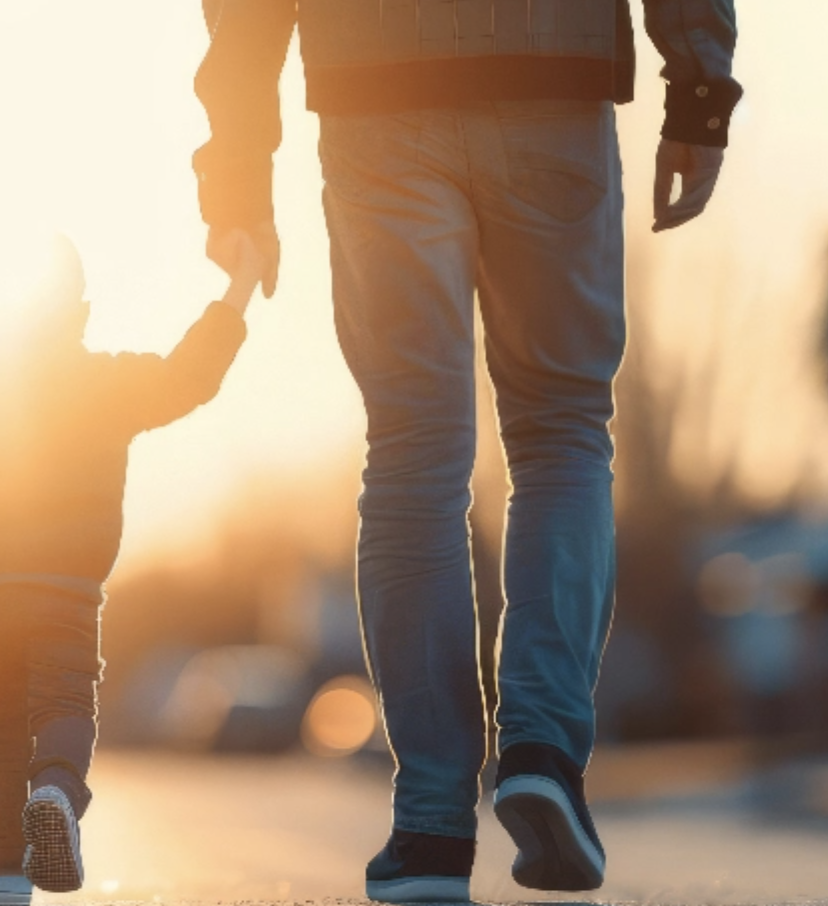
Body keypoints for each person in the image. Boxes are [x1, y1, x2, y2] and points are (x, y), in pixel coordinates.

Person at [193, 0, 740, 900]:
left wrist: (238, 167)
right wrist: (701, 89)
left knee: (411, 454)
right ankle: (542, 754)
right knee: (562, 431)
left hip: (373, 89)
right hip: (549, 71)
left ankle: (433, 826)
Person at [0, 236, 260, 906]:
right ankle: (55, 792)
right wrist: (235, 294)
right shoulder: (101, 380)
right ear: (79, 310)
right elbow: (187, 376)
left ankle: (3, 870)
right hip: (65, 587)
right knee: (63, 701)